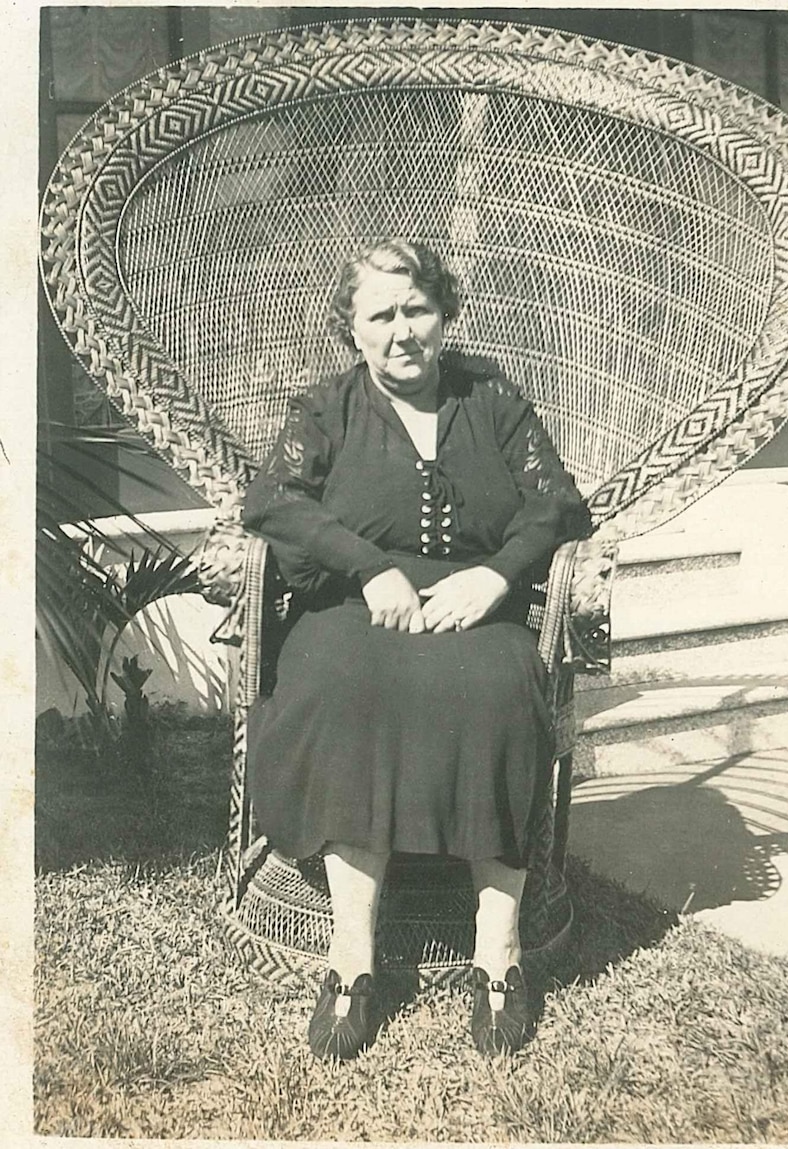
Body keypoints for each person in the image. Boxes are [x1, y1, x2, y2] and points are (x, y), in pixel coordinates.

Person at [241, 240, 593, 1060]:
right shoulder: (325, 409)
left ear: (446, 314)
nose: (402, 331)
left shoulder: (492, 396)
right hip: (353, 609)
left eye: (417, 310)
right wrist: (368, 568)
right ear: (352, 329)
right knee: (342, 687)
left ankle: (497, 953)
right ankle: (353, 958)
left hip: (474, 607)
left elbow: (558, 504)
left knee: (501, 690)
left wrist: (497, 579)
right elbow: (273, 501)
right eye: (381, 315)